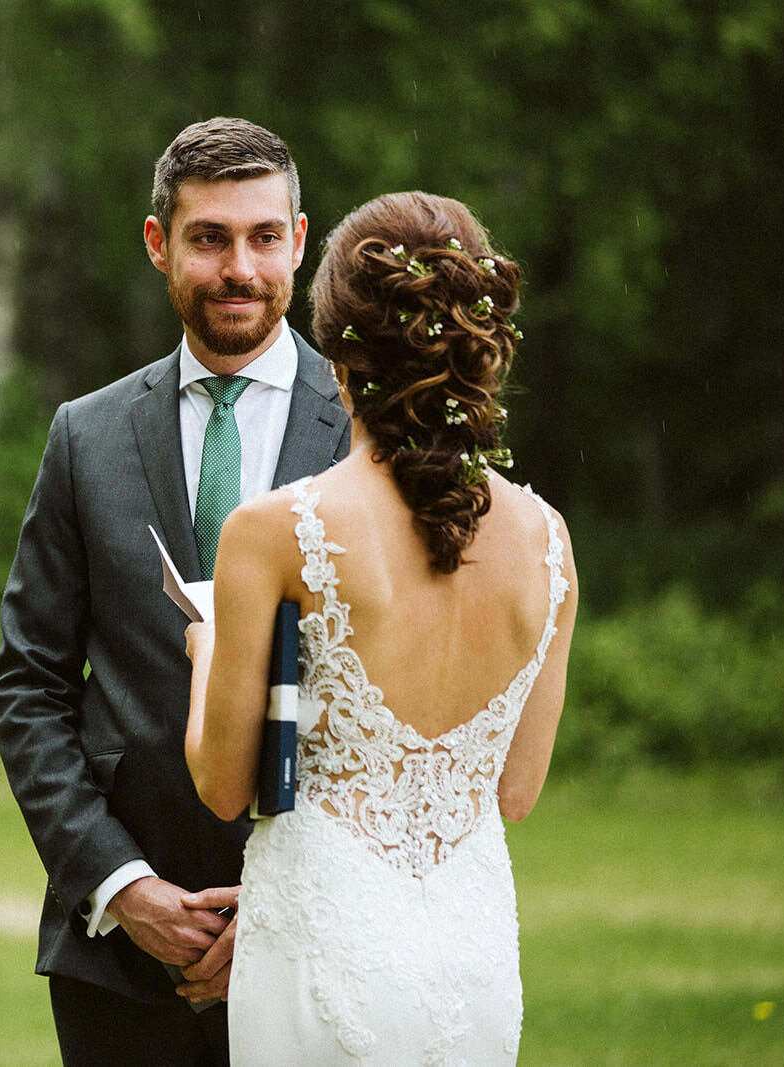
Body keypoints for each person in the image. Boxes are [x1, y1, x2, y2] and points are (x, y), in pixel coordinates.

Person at [182, 190, 579, 1064]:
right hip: (470, 954)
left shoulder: (275, 530)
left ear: (337, 350)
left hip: (324, 942)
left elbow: (220, 786)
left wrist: (207, 645)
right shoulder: (547, 541)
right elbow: (515, 791)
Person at [0, 117, 349, 1066]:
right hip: (119, 963)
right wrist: (121, 887)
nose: (240, 267)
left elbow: (392, 719)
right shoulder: (85, 436)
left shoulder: (364, 434)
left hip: (322, 951)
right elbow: (29, 684)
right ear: (159, 244)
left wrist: (279, 910)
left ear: (301, 240)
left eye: (264, 237)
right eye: (210, 237)